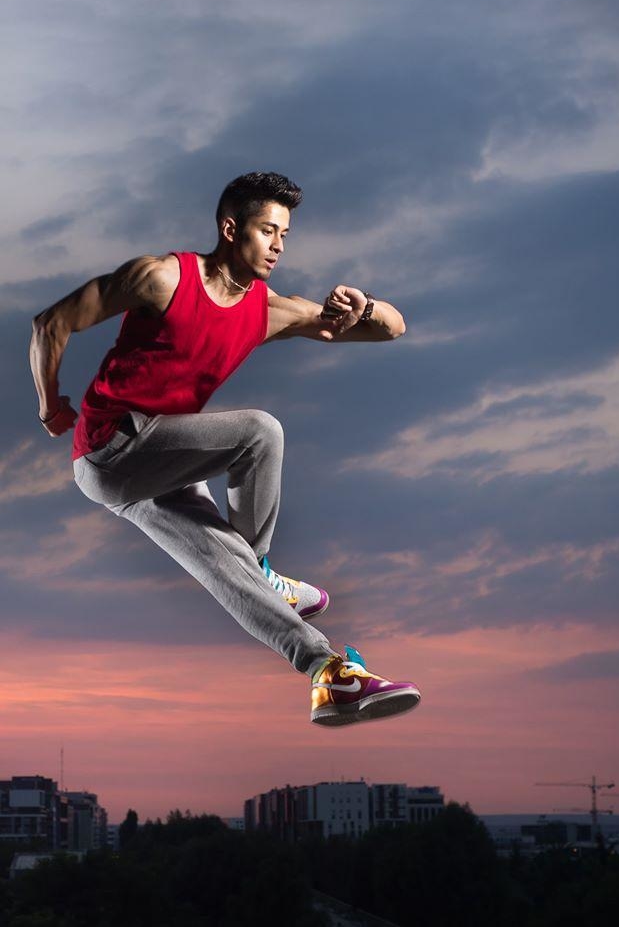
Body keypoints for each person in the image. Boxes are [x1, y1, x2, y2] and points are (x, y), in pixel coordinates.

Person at [29, 171, 420, 726]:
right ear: (231, 229)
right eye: (267, 231)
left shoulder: (268, 310)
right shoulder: (161, 278)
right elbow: (52, 323)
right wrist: (51, 406)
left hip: (161, 466)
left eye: (285, 234)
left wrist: (366, 305)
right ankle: (262, 568)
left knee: (226, 570)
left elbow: (392, 329)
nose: (279, 246)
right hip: (113, 448)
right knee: (260, 432)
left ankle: (328, 673)